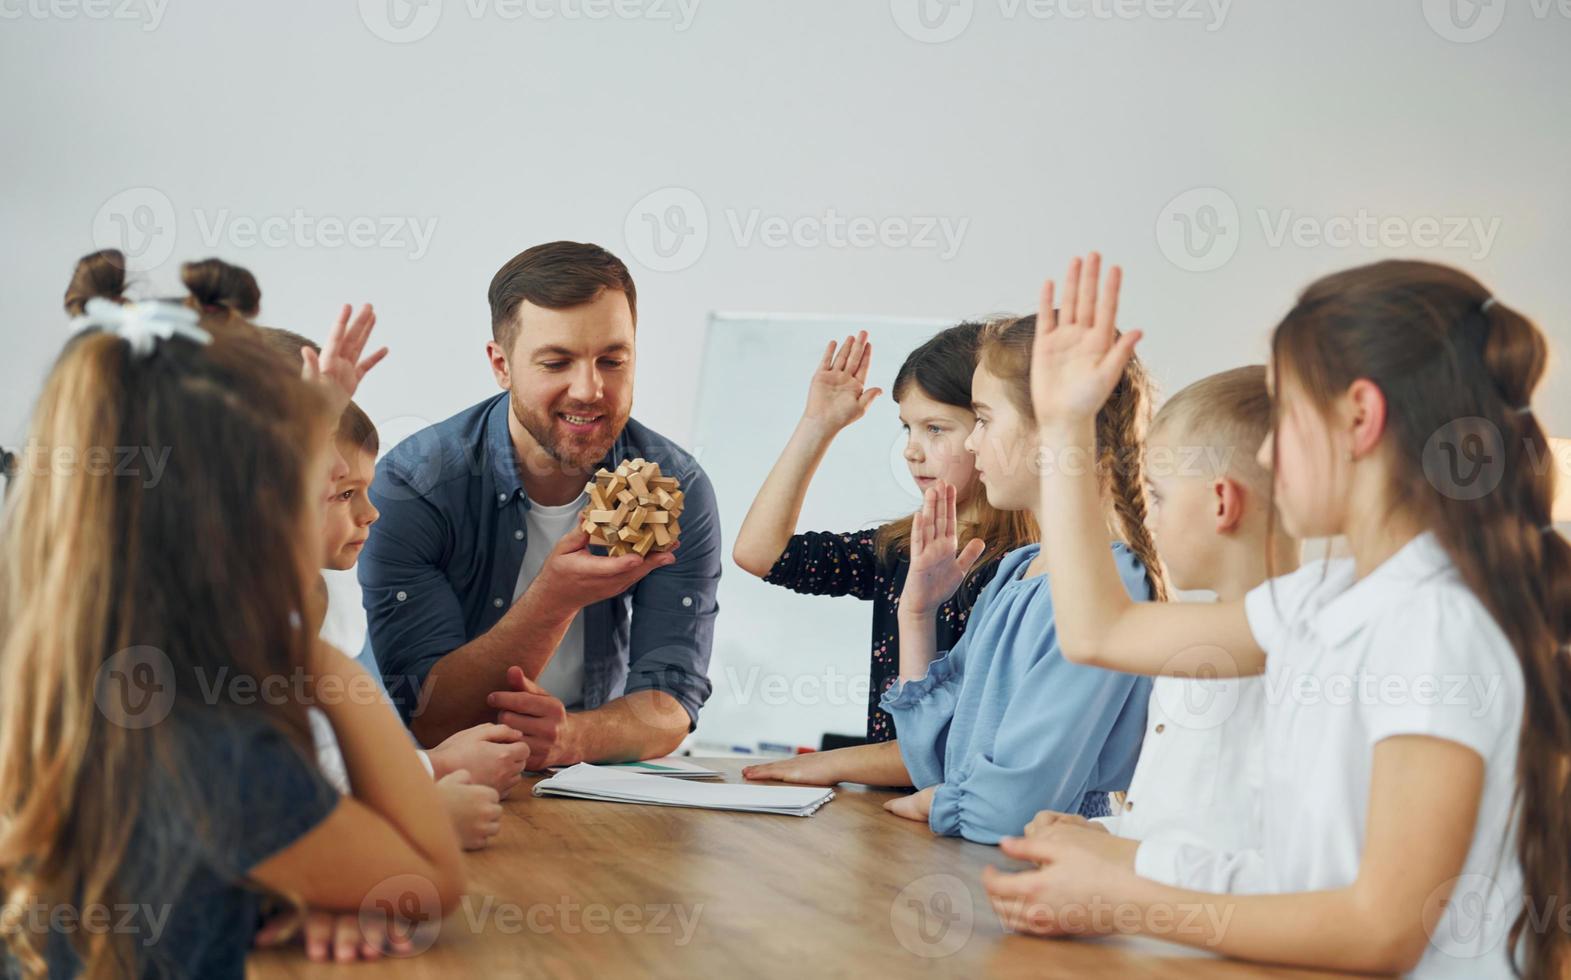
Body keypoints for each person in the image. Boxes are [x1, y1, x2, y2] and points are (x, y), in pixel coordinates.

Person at [984, 253, 1570, 979]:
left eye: (1284, 415)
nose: (1265, 449)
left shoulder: (1435, 624)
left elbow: (1380, 929)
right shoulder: (1321, 601)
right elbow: (1098, 631)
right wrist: (1067, 426)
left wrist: (1124, 896)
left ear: (1358, 417)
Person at [0, 297, 461, 977]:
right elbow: (429, 880)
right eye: (316, 483)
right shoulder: (205, 737)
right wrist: (310, 657)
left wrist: (307, 880)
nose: (352, 507)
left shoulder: (81, 678)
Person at [744, 313, 1163, 844]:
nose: (968, 445)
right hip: (969, 861)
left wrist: (943, 798)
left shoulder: (1103, 581)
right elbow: (935, 758)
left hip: (1034, 872)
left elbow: (1007, 808)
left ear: (1053, 429)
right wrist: (916, 616)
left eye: (981, 421)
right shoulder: (1019, 571)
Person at [360, 241, 721, 767]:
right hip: (412, 777)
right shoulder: (413, 486)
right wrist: (555, 597)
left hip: (574, 775)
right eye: (556, 362)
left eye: (612, 360)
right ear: (501, 365)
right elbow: (430, 718)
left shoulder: (675, 488)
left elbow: (673, 698)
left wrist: (572, 738)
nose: (590, 389)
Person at [1024, 365, 1297, 889]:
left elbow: (1278, 867)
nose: (1149, 519)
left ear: (1222, 503)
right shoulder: (1190, 634)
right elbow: (1181, 822)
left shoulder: (1294, 654)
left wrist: (1117, 860)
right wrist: (1099, 834)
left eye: (1160, 496)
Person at [733, 324, 1034, 742]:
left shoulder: (1023, 569)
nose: (911, 450)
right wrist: (817, 425)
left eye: (935, 428)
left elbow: (951, 753)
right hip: (888, 803)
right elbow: (760, 553)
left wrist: (825, 766)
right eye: (907, 428)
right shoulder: (900, 549)